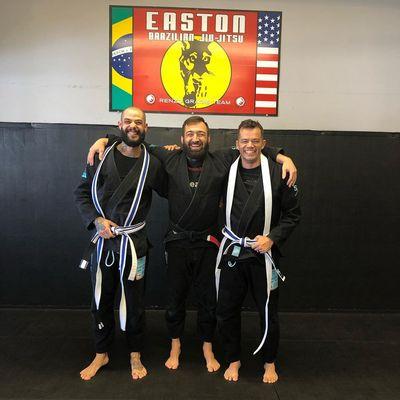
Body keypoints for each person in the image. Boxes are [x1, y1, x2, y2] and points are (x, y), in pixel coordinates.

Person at [87, 116, 297, 372]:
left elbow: (252, 147)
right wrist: (105, 139)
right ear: (182, 138)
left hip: (209, 243)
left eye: (200, 134)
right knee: (175, 297)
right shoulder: (168, 157)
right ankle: (175, 344)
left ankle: (207, 346)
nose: (195, 139)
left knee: (209, 300)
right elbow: (136, 139)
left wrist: (282, 157)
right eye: (190, 134)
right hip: (177, 241)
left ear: (209, 138)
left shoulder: (222, 159)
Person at [74, 107, 167, 381]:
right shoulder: (100, 156)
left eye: (139, 122)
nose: (133, 126)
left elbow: (175, 188)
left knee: (135, 302)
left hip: (134, 243)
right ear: (119, 124)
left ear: (146, 128)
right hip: (103, 240)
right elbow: (81, 193)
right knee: (101, 299)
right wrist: (96, 221)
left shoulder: (154, 163)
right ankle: (101, 352)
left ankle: (134, 354)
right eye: (128, 121)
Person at [215, 119, 300, 383]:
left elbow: (293, 215)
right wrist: (107, 138)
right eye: (244, 141)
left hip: (263, 255)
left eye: (255, 141)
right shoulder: (224, 169)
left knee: (267, 311)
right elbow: (190, 151)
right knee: (227, 310)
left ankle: (269, 362)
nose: (249, 145)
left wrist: (272, 238)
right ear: (236, 144)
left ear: (264, 143)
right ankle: (233, 359)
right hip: (233, 251)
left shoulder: (279, 173)